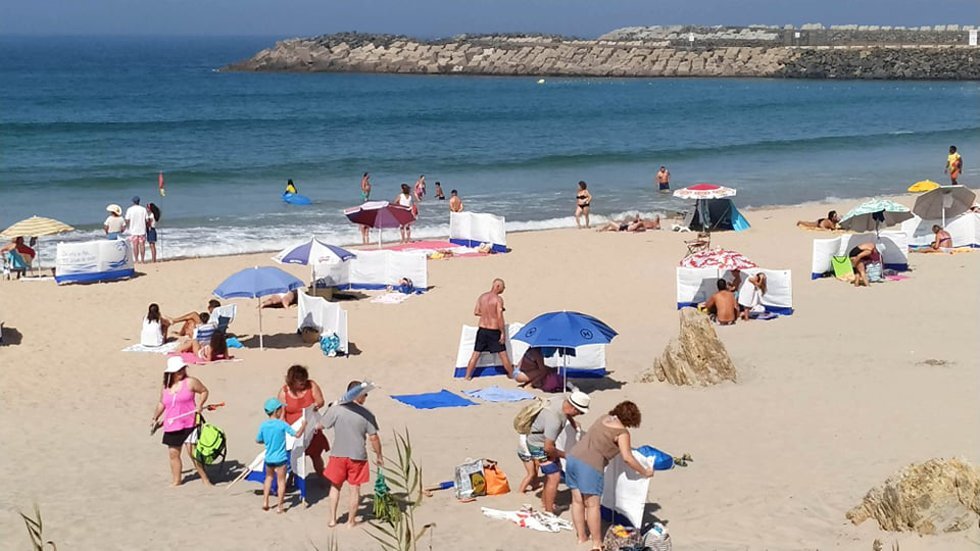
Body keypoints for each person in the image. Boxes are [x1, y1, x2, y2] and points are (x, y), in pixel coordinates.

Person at [566, 401, 653, 549]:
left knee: (577, 501)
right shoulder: (622, 433)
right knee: (593, 505)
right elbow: (627, 457)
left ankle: (581, 537)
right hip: (590, 466)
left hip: (573, 458)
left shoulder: (603, 417)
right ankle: (597, 542)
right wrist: (645, 472)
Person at [319, 380, 383, 528]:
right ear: (358, 395)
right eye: (365, 394)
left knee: (335, 487)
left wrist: (331, 408)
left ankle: (332, 520)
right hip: (357, 456)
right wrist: (379, 456)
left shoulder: (336, 410)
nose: (365, 397)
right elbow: (374, 438)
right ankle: (351, 521)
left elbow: (321, 425)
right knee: (354, 488)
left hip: (338, 454)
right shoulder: (367, 415)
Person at [516, 392, 590, 513]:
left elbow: (567, 409)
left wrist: (572, 422)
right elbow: (548, 448)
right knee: (554, 476)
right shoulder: (554, 420)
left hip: (541, 441)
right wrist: (567, 456)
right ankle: (549, 512)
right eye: (580, 412)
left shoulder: (561, 399)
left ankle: (546, 503)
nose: (579, 415)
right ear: (573, 408)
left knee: (552, 472)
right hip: (537, 446)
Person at [150, 356, 212, 487]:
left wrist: (200, 404)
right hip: (172, 424)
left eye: (182, 369)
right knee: (173, 454)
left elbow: (204, 391)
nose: (181, 372)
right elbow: (162, 403)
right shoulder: (165, 387)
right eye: (178, 371)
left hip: (189, 423)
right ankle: (176, 481)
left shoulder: (190, 382)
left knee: (193, 453)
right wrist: (155, 417)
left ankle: (205, 479)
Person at [277, 365, 330, 477]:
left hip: (310, 428)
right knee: (292, 456)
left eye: (304, 381)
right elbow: (281, 414)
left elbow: (320, 401)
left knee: (315, 455)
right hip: (293, 430)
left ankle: (321, 476)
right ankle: (291, 479)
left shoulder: (311, 385)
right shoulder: (284, 392)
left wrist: (314, 406)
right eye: (301, 383)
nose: (303, 384)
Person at [257, 397, 305, 513]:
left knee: (268, 478)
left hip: (269, 458)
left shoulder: (264, 425)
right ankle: (280, 506)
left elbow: (258, 440)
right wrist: (303, 425)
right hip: (281, 458)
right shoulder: (282, 425)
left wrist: (267, 441)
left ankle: (265, 501)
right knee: (281, 481)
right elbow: (297, 434)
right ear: (277, 411)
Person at [464, 278, 513, 380]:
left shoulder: (482, 297)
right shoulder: (498, 299)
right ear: (498, 286)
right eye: (503, 287)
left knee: (476, 353)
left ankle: (467, 376)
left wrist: (487, 313)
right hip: (493, 330)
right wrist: (502, 332)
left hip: (482, 329)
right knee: (503, 354)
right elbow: (499, 317)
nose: (504, 290)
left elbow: (476, 312)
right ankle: (511, 374)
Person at [125, 196, 148, 263]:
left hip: (133, 230)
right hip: (142, 230)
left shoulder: (130, 209)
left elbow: (127, 220)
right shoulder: (143, 209)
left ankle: (136, 260)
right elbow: (146, 220)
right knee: (142, 245)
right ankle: (143, 260)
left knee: (135, 246)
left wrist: (124, 226)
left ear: (133, 202)